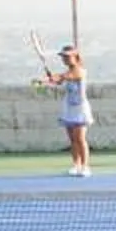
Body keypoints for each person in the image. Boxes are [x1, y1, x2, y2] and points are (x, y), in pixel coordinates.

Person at [50, 43, 92, 176]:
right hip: (69, 108)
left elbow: (67, 77)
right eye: (63, 57)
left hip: (80, 109)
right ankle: (76, 165)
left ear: (75, 56)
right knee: (72, 140)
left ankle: (85, 167)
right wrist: (46, 81)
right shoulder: (67, 73)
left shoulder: (80, 70)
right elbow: (58, 81)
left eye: (68, 56)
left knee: (80, 138)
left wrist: (56, 78)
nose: (65, 59)